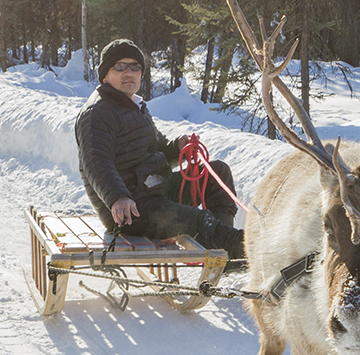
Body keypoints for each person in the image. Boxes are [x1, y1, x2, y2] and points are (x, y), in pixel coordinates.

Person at [75, 39, 245, 260]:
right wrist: (118, 198)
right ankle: (238, 247)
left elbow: (157, 150)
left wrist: (178, 148)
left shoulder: (133, 106)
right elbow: (96, 162)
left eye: (135, 67)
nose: (129, 72)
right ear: (105, 75)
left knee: (218, 172)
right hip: (131, 209)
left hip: (155, 190)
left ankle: (224, 255)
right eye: (120, 66)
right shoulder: (97, 113)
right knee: (198, 220)